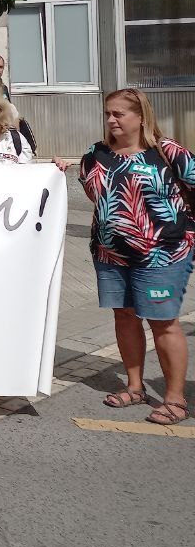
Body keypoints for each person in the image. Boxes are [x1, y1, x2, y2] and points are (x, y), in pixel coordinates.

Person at [55, 89, 195, 426]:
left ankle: (175, 398)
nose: (111, 120)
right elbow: (93, 193)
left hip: (162, 254)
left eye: (119, 114)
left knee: (163, 323)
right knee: (125, 316)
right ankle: (135, 388)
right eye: (108, 114)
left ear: (141, 117)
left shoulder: (167, 151)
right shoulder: (97, 154)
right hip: (110, 253)